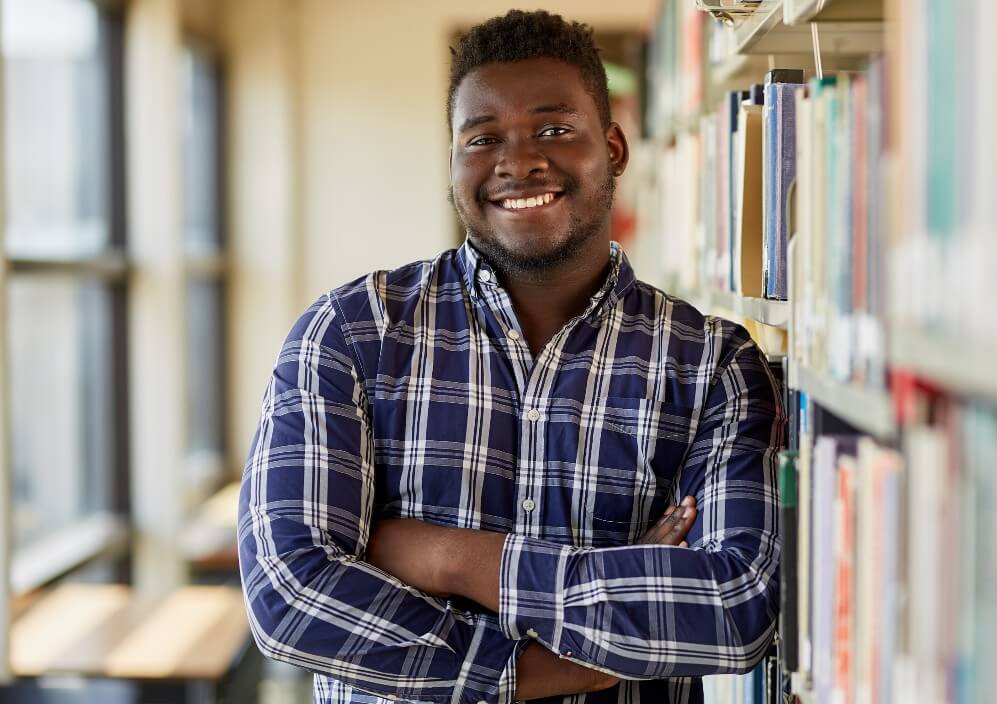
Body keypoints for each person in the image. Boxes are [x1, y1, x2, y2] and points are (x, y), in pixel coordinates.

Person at [237, 10, 785, 703]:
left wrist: (450, 558)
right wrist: (577, 650)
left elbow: (736, 608)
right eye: (483, 137)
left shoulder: (713, 365)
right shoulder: (350, 334)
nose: (518, 160)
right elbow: (290, 598)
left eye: (555, 129)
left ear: (613, 148)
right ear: (452, 163)